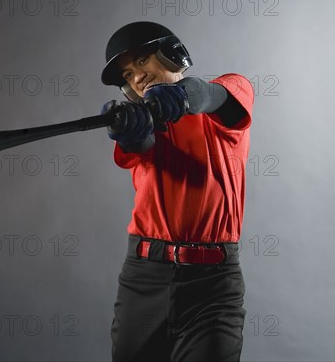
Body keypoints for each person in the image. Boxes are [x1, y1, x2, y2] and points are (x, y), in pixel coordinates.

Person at [100, 22, 254, 362]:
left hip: (213, 285)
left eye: (141, 61)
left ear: (172, 54)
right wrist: (127, 129)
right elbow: (140, 145)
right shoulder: (142, 124)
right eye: (128, 75)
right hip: (143, 278)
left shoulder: (223, 104)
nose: (136, 77)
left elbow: (211, 94)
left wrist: (183, 95)